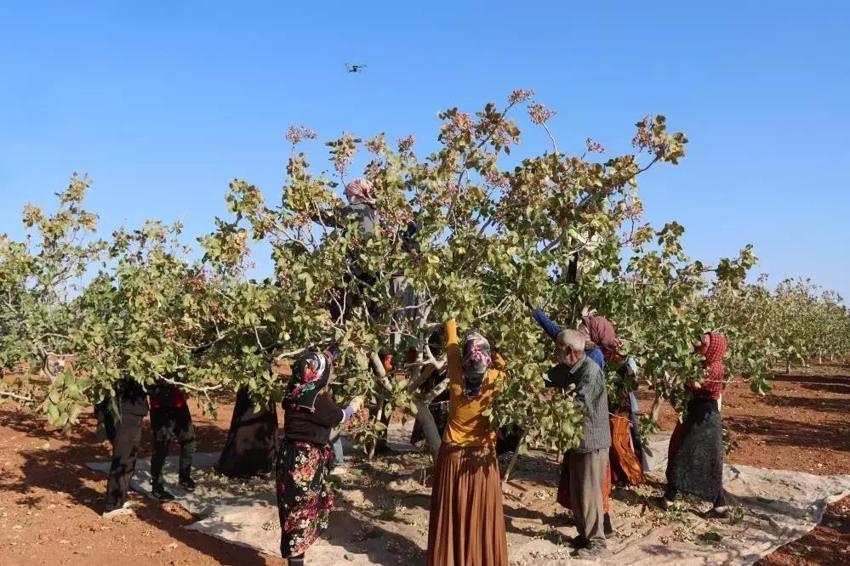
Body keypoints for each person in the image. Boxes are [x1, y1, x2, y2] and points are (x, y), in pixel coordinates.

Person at [427, 319, 508, 566]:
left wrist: (452, 321)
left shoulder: (456, 376)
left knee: (452, 513)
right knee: (481, 514)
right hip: (482, 459)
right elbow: (503, 364)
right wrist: (495, 351)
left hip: (452, 457)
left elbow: (451, 342)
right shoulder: (495, 378)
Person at [276, 346, 362, 565]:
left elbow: (320, 361)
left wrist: (337, 348)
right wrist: (354, 406)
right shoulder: (317, 400)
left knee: (293, 513)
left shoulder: (296, 389)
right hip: (305, 462)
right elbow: (340, 416)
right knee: (301, 517)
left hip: (289, 458)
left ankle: (296, 560)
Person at [545, 330, 612, 558]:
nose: (555, 354)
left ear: (570, 351)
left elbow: (579, 406)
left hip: (591, 442)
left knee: (590, 493)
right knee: (577, 492)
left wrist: (549, 408)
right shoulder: (569, 369)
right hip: (576, 441)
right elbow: (547, 378)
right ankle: (584, 536)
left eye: (557, 350)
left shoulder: (590, 372)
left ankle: (597, 543)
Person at [663, 332, 730, 513]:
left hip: (705, 417)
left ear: (714, 348)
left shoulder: (715, 368)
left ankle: (671, 497)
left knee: (693, 456)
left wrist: (682, 371)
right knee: (685, 453)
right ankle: (718, 504)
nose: (700, 346)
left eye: (705, 344)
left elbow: (697, 384)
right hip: (698, 414)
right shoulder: (703, 364)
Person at [98, 378, 149, 515]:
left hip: (129, 413)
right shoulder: (125, 369)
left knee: (129, 459)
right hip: (125, 415)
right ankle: (112, 505)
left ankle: (120, 498)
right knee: (122, 459)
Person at [148, 380, 197, 500]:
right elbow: (149, 386)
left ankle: (184, 477)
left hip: (180, 406)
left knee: (189, 442)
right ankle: (157, 486)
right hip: (160, 408)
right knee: (161, 447)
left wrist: (185, 388)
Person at [216, 386, 278, 478]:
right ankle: (246, 463)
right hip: (251, 385)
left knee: (260, 418)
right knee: (248, 417)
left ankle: (258, 464)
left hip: (261, 385)